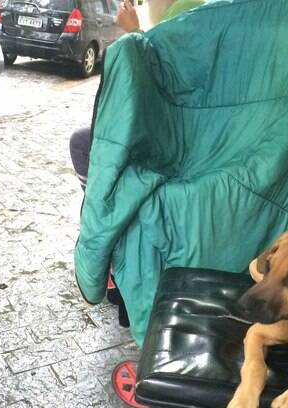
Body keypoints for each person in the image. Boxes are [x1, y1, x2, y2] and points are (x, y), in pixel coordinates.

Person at [70, 0, 205, 327]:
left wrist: (134, 34)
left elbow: (166, 84)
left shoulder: (187, 13)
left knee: (95, 153)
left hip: (180, 139)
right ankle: (109, 253)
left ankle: (108, 255)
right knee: (92, 146)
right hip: (179, 133)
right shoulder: (188, 13)